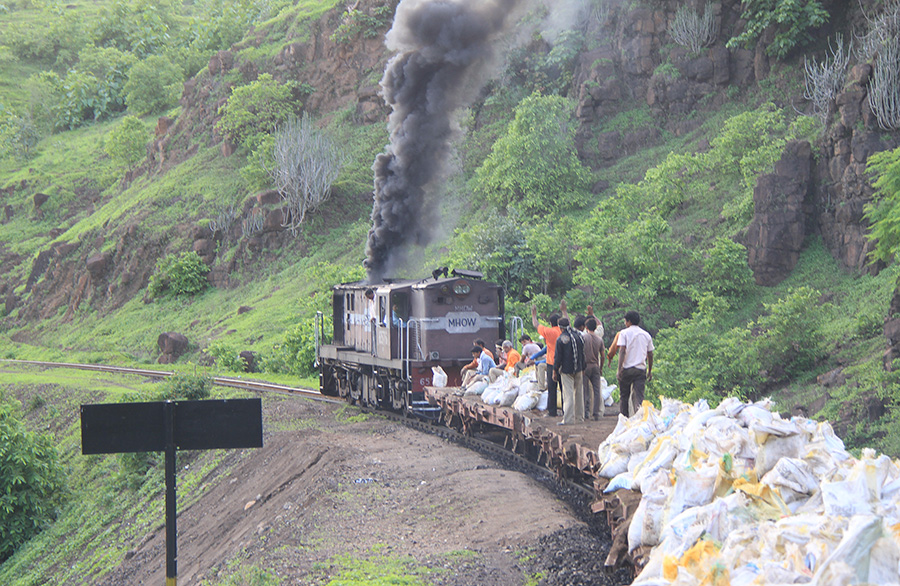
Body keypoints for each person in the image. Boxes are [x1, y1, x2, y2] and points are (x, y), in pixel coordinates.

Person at [616, 311, 654, 417]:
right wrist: (650, 370)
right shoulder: (646, 335)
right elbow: (650, 354)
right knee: (639, 397)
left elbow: (622, 351)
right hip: (640, 369)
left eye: (625, 321)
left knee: (624, 396)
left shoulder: (624, 333)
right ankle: (640, 419)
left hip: (626, 369)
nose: (625, 323)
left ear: (629, 322)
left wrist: (619, 369)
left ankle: (624, 419)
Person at [531, 301, 566, 416]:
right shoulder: (563, 331)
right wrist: (564, 311)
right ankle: (566, 411)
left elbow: (536, 325)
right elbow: (568, 323)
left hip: (552, 362)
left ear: (550, 323)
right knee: (564, 388)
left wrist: (534, 315)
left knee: (552, 388)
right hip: (564, 363)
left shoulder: (548, 331)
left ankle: (552, 412)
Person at [553, 317, 586, 425]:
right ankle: (580, 418)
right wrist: (583, 367)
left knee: (568, 394)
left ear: (560, 328)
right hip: (579, 369)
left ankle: (568, 419)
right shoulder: (579, 336)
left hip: (566, 370)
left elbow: (558, 357)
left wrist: (555, 370)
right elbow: (583, 354)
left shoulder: (561, 339)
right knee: (579, 393)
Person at [582, 317, 606, 420]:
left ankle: (585, 412)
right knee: (597, 391)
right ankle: (596, 413)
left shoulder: (583, 338)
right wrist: (601, 368)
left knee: (585, 390)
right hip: (596, 366)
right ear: (595, 328)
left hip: (585, 366)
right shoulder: (599, 339)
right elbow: (603, 356)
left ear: (586, 327)